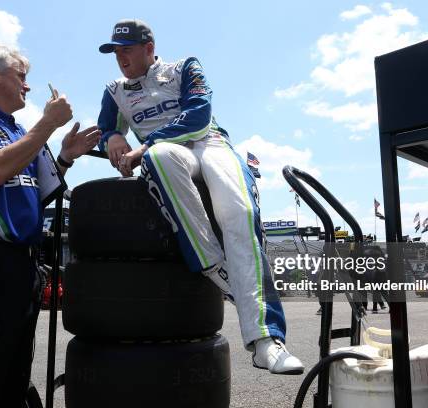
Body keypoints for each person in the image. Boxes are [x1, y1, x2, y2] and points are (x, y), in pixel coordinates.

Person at [97, 19, 304, 374]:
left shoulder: (184, 67)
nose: (120, 58)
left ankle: (266, 341)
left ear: (149, 48)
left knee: (237, 211)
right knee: (159, 157)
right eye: (115, 51)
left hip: (208, 142)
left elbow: (198, 116)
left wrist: (144, 142)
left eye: (127, 49)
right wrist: (112, 138)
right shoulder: (114, 89)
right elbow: (107, 127)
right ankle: (217, 271)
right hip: (166, 155)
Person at [0, 46, 101, 407]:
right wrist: (47, 124)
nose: (27, 86)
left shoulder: (17, 131)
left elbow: (38, 192)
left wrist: (65, 157)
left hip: (24, 265)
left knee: (15, 371)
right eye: (21, 76)